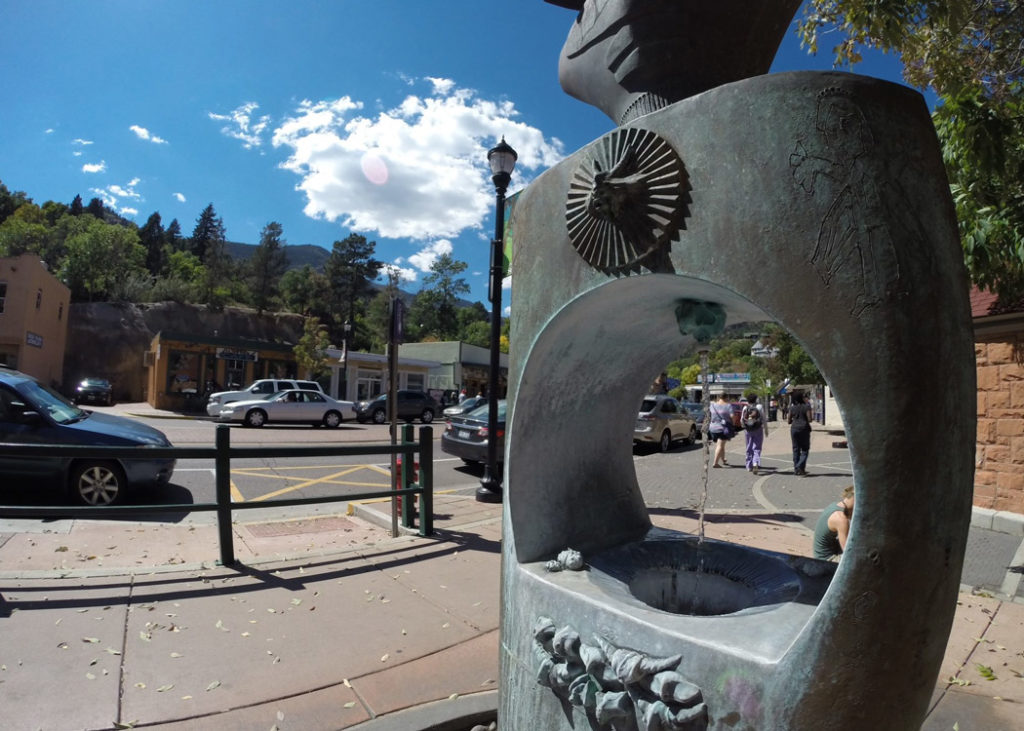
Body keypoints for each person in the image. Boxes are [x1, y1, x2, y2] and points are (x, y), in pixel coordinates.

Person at [813, 486, 855, 560]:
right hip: (827, 559)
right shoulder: (841, 520)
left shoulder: (835, 505)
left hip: (825, 551)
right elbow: (848, 552)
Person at [787, 390, 813, 476]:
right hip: (804, 429)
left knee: (796, 449)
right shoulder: (806, 407)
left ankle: (797, 470)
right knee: (805, 449)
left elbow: (788, 421)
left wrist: (794, 418)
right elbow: (810, 419)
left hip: (794, 429)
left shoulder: (792, 408)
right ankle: (800, 467)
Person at [741, 395, 767, 474]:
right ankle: (755, 463)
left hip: (748, 430)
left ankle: (749, 466)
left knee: (749, 447)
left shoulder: (745, 408)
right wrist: (766, 429)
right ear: (756, 399)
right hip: (758, 429)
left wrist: (744, 426)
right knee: (757, 447)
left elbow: (742, 420)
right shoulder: (759, 407)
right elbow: (763, 418)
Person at [708, 394, 734, 468]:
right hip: (723, 428)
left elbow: (708, 415)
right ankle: (715, 463)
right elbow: (732, 417)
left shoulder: (712, 405)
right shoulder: (728, 406)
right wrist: (733, 424)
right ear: (726, 397)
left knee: (721, 444)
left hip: (712, 428)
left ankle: (723, 460)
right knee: (719, 445)